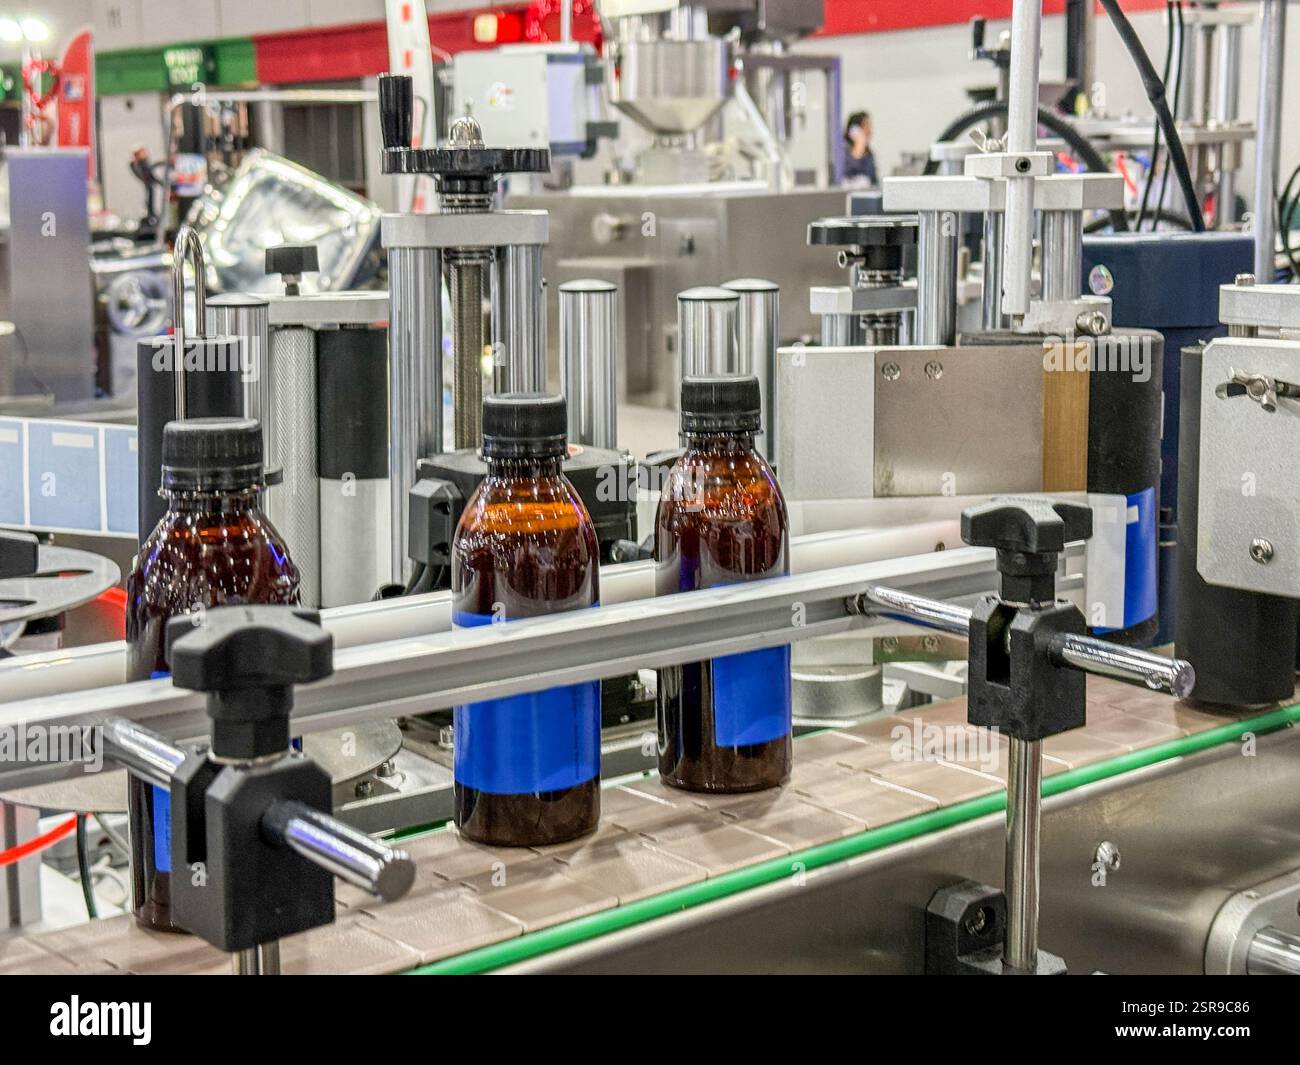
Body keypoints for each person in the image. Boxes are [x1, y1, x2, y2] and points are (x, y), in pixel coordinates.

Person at [844, 110, 877, 185]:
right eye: (866, 126)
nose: (869, 130)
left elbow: (873, 179)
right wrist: (859, 143)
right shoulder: (844, 150)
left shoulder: (869, 153)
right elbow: (850, 173)